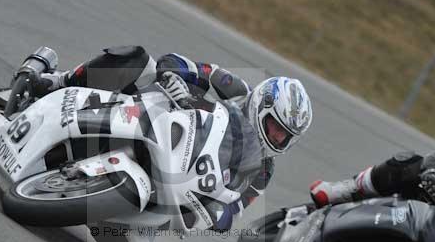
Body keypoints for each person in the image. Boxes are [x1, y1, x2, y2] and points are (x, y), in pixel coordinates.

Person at [33, 45, 313, 230]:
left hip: (176, 185)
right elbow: (177, 62)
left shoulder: (263, 169)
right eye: (275, 126)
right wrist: (176, 79)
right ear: (260, 105)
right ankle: (59, 81)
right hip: (157, 118)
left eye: (284, 136)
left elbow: (233, 212)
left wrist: (213, 214)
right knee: (138, 59)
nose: (276, 137)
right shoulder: (235, 87)